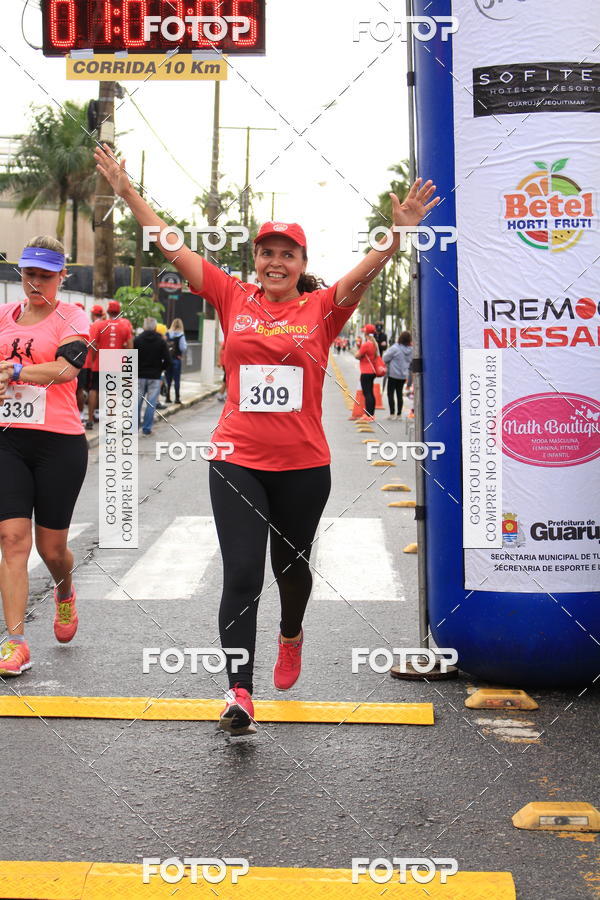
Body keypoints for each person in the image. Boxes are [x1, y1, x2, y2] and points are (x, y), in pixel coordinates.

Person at [95, 142, 438, 735]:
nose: (275, 261)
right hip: (236, 459)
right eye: (266, 252)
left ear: (301, 261)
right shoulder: (233, 297)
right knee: (242, 572)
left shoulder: (322, 309)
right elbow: (174, 247)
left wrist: (396, 236)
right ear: (255, 259)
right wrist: (127, 194)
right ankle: (239, 691)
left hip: (304, 464)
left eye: (286, 253)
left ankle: (291, 632)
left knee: (291, 570)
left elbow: (364, 270)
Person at [0, 236, 90, 677]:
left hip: (59, 443)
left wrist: (15, 371)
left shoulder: (71, 315)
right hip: (8, 440)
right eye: (29, 274)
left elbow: (68, 366)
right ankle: (15, 643)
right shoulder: (3, 316)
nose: (36, 283)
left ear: (62, 277)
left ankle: (65, 588)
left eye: (45, 276)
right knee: (12, 541)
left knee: (50, 549)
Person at [86, 299, 133, 430]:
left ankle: (90, 420)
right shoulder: (125, 326)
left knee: (94, 389)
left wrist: (95, 358)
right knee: (112, 391)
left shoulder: (100, 325)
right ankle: (110, 421)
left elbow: (93, 345)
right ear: (119, 312)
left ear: (107, 311)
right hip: (115, 361)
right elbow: (130, 347)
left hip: (101, 360)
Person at [134, 317, 172, 435]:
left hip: (139, 375)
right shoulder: (161, 341)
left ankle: (133, 428)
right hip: (155, 376)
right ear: (155, 327)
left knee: (137, 402)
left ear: (144, 327)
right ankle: (147, 428)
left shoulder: (137, 340)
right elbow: (168, 360)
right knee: (151, 403)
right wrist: (161, 369)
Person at [76, 303, 104, 420]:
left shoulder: (89, 325)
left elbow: (93, 345)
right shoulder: (89, 325)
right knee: (92, 389)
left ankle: (81, 413)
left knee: (79, 390)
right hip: (90, 362)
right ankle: (92, 413)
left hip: (77, 362)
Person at [383, 331, 413, 419]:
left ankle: (392, 413)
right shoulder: (411, 350)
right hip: (403, 375)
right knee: (399, 394)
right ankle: (399, 414)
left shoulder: (395, 348)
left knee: (390, 393)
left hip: (393, 375)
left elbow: (385, 357)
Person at [354, 323, 379, 421]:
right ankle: (371, 414)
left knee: (367, 393)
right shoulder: (374, 344)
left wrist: (358, 352)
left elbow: (357, 355)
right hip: (372, 371)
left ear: (366, 333)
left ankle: (368, 415)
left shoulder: (367, 344)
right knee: (370, 392)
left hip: (365, 371)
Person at [165, 318, 187, 404]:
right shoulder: (181, 335)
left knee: (168, 379)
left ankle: (167, 397)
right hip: (177, 359)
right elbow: (183, 348)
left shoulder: (167, 334)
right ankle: (177, 398)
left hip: (168, 359)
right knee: (176, 379)